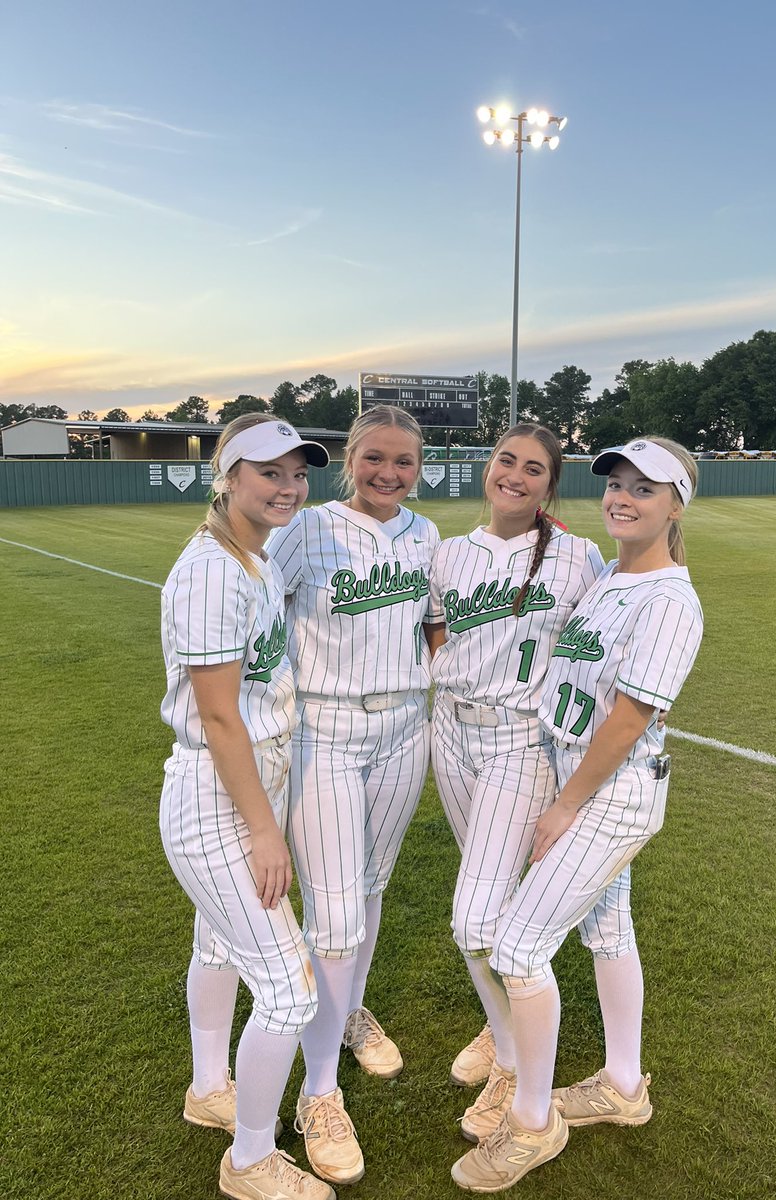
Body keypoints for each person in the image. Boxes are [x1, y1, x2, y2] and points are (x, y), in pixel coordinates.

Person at [451, 436, 704, 1192]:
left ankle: (532, 1121)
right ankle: (624, 1085)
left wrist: (563, 806)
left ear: (676, 504)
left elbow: (630, 717)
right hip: (581, 773)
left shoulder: (669, 598)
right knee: (607, 927)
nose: (623, 497)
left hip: (611, 789)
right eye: (617, 484)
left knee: (519, 947)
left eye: (645, 489)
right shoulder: (610, 576)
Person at [159, 414, 334, 1200]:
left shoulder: (251, 559)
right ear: (227, 476)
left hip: (241, 779)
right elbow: (221, 716)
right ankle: (252, 1161)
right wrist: (266, 829)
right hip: (220, 793)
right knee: (290, 989)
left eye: (297, 472)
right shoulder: (211, 571)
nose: (288, 485)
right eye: (269, 471)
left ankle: (208, 1090)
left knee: (221, 949)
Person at [267, 404, 441, 1186]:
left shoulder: (427, 535)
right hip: (325, 732)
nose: (389, 473)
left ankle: (348, 1015)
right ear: (350, 459)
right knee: (332, 914)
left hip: (406, 726)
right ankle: (318, 1094)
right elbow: (255, 620)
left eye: (403, 461)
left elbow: (433, 628)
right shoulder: (307, 528)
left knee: (370, 891)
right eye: (375, 457)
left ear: (419, 466)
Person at [426, 424, 606, 1141]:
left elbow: (603, 643)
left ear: (549, 485)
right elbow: (435, 631)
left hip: (519, 741)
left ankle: (514, 1067)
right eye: (507, 461)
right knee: (489, 899)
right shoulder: (448, 554)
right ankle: (500, 1027)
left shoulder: (576, 557)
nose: (516, 476)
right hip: (451, 732)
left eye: (535, 469)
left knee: (473, 918)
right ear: (488, 466)